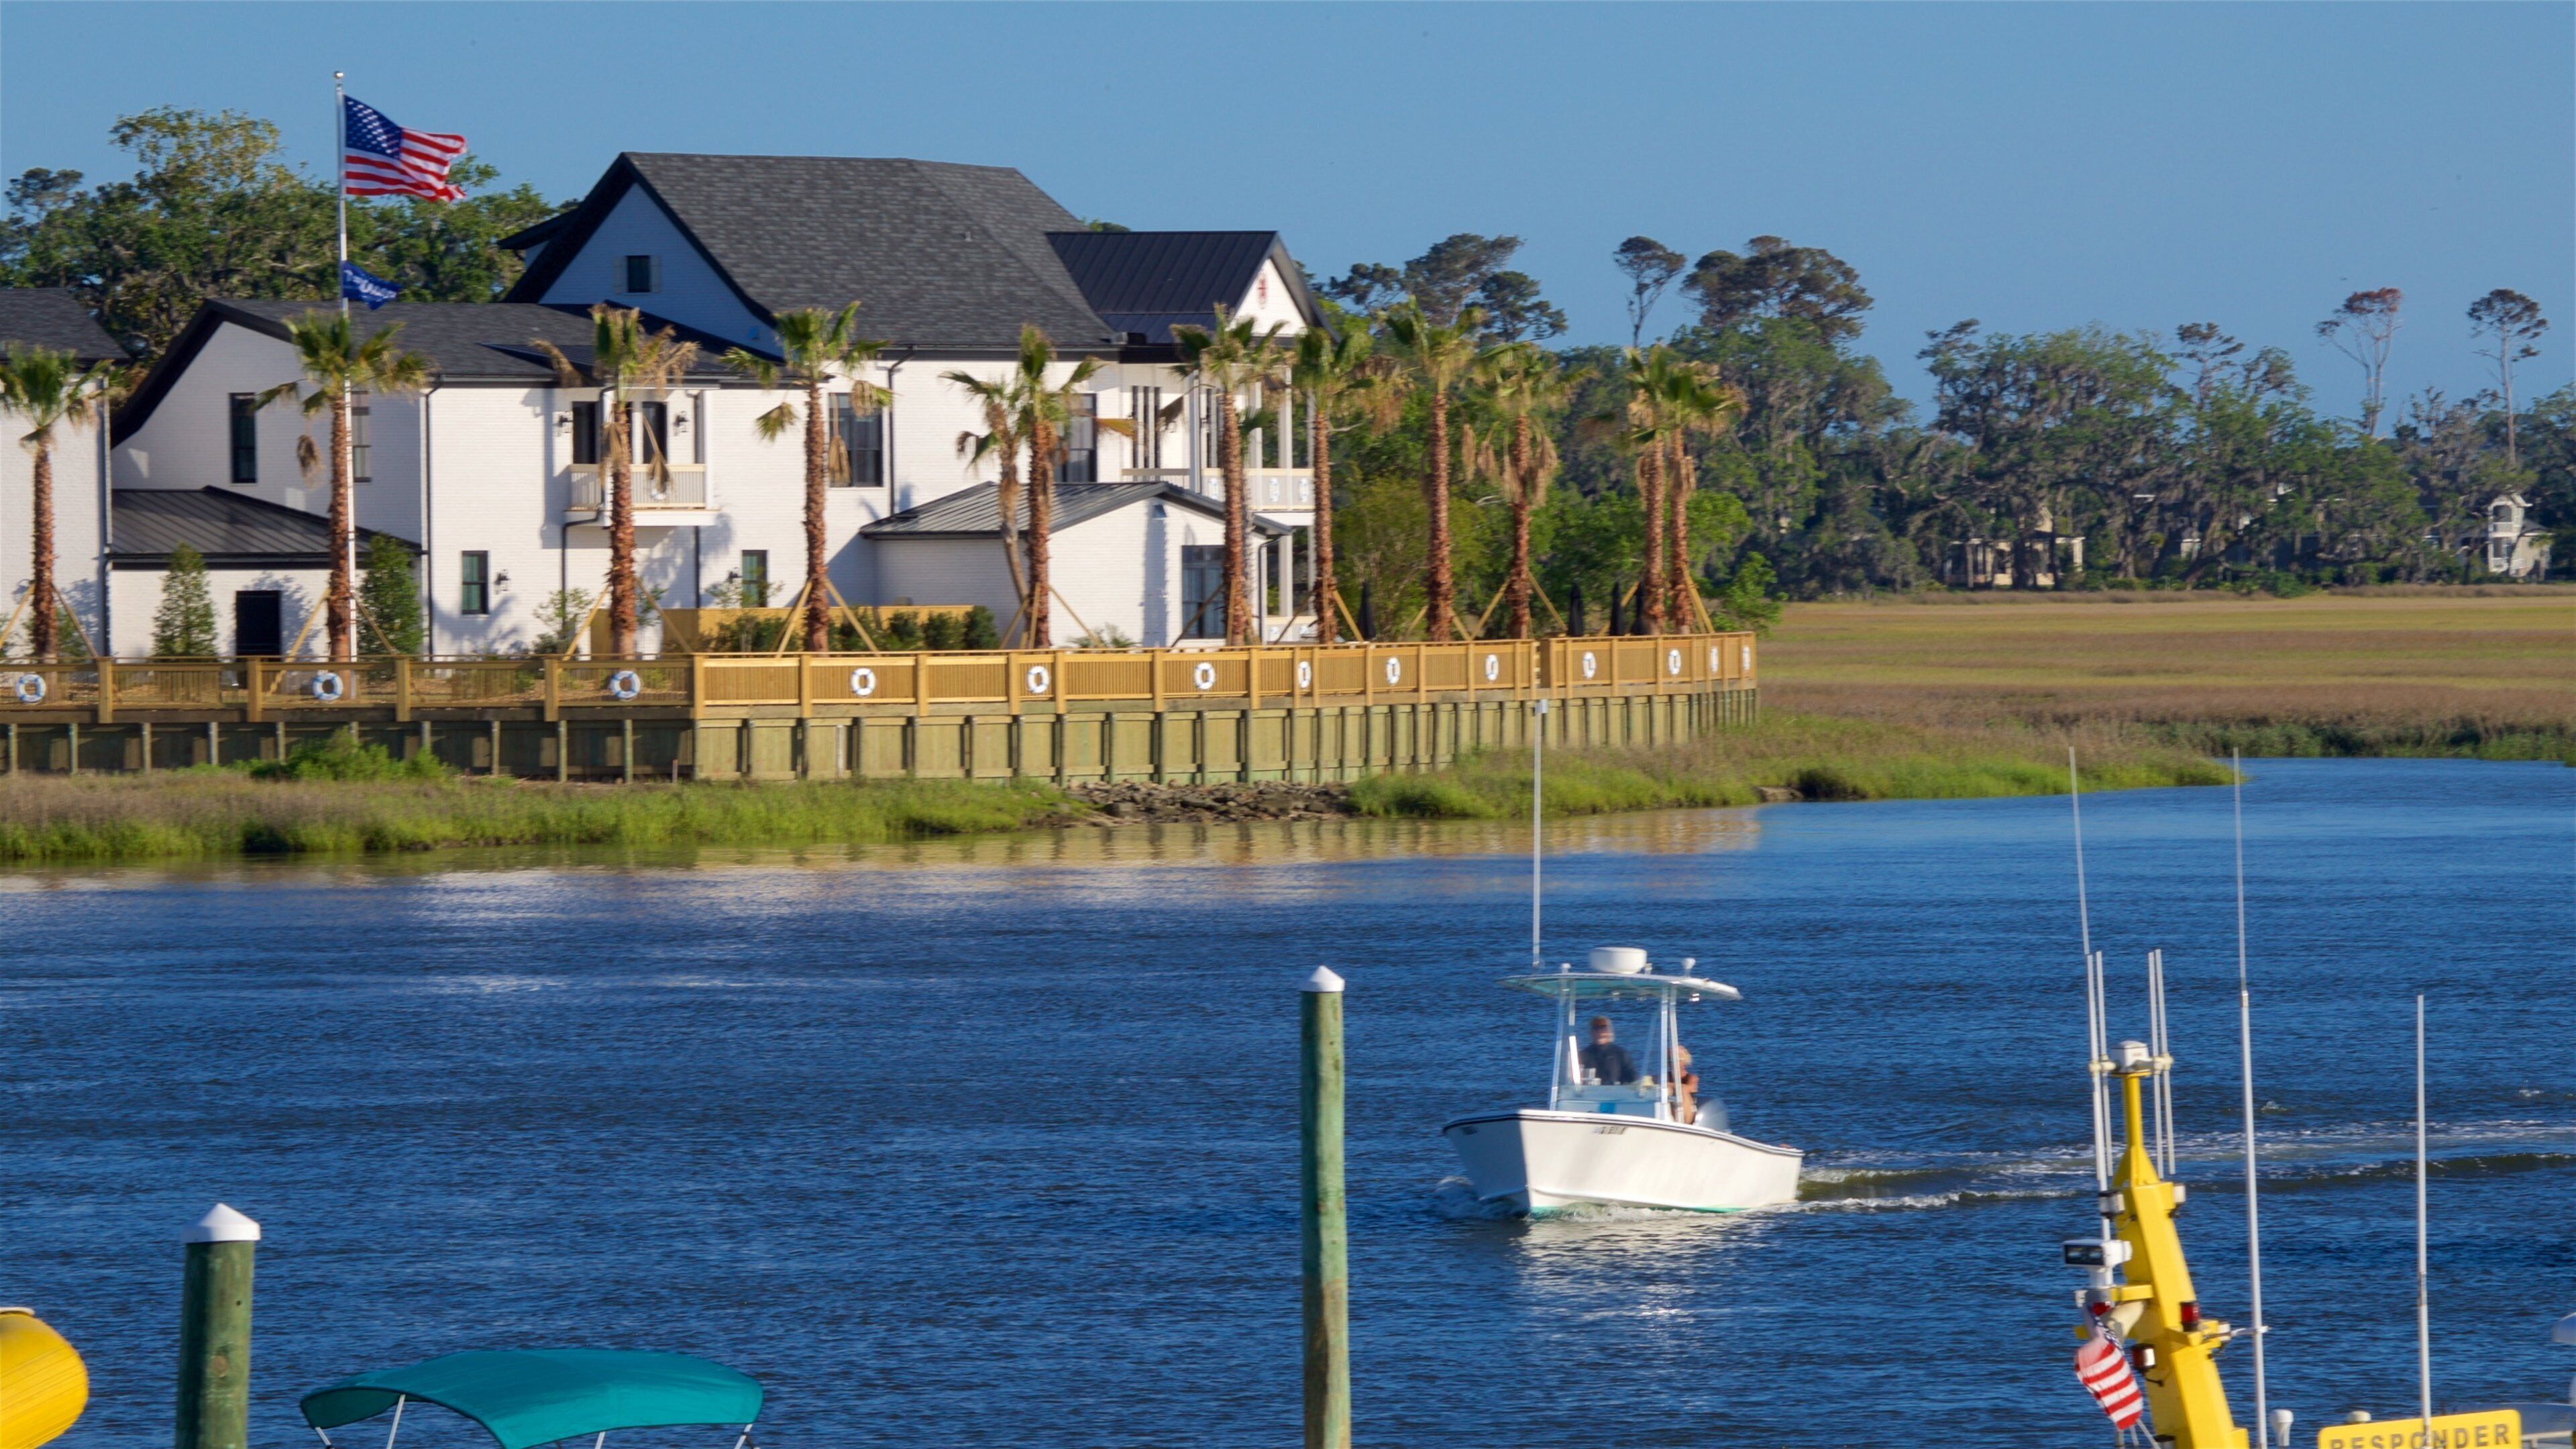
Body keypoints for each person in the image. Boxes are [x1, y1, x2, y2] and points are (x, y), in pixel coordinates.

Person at [1578, 1015, 1638, 1085]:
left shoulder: (1621, 1054)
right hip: (1589, 1094)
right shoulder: (1582, 1056)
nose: (1599, 1031)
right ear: (1591, 1032)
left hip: (1615, 1094)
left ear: (1610, 1032)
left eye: (1603, 1028)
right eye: (1595, 1028)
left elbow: (1633, 1080)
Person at [1674, 1043, 1702, 1124]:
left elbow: (1690, 1088)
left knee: (1682, 1090)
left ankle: (1683, 1123)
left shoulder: (1691, 1078)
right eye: (1670, 1060)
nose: (1673, 1062)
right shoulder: (1664, 1078)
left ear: (1684, 1061)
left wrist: (1668, 1085)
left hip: (1687, 1115)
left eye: (1678, 1059)